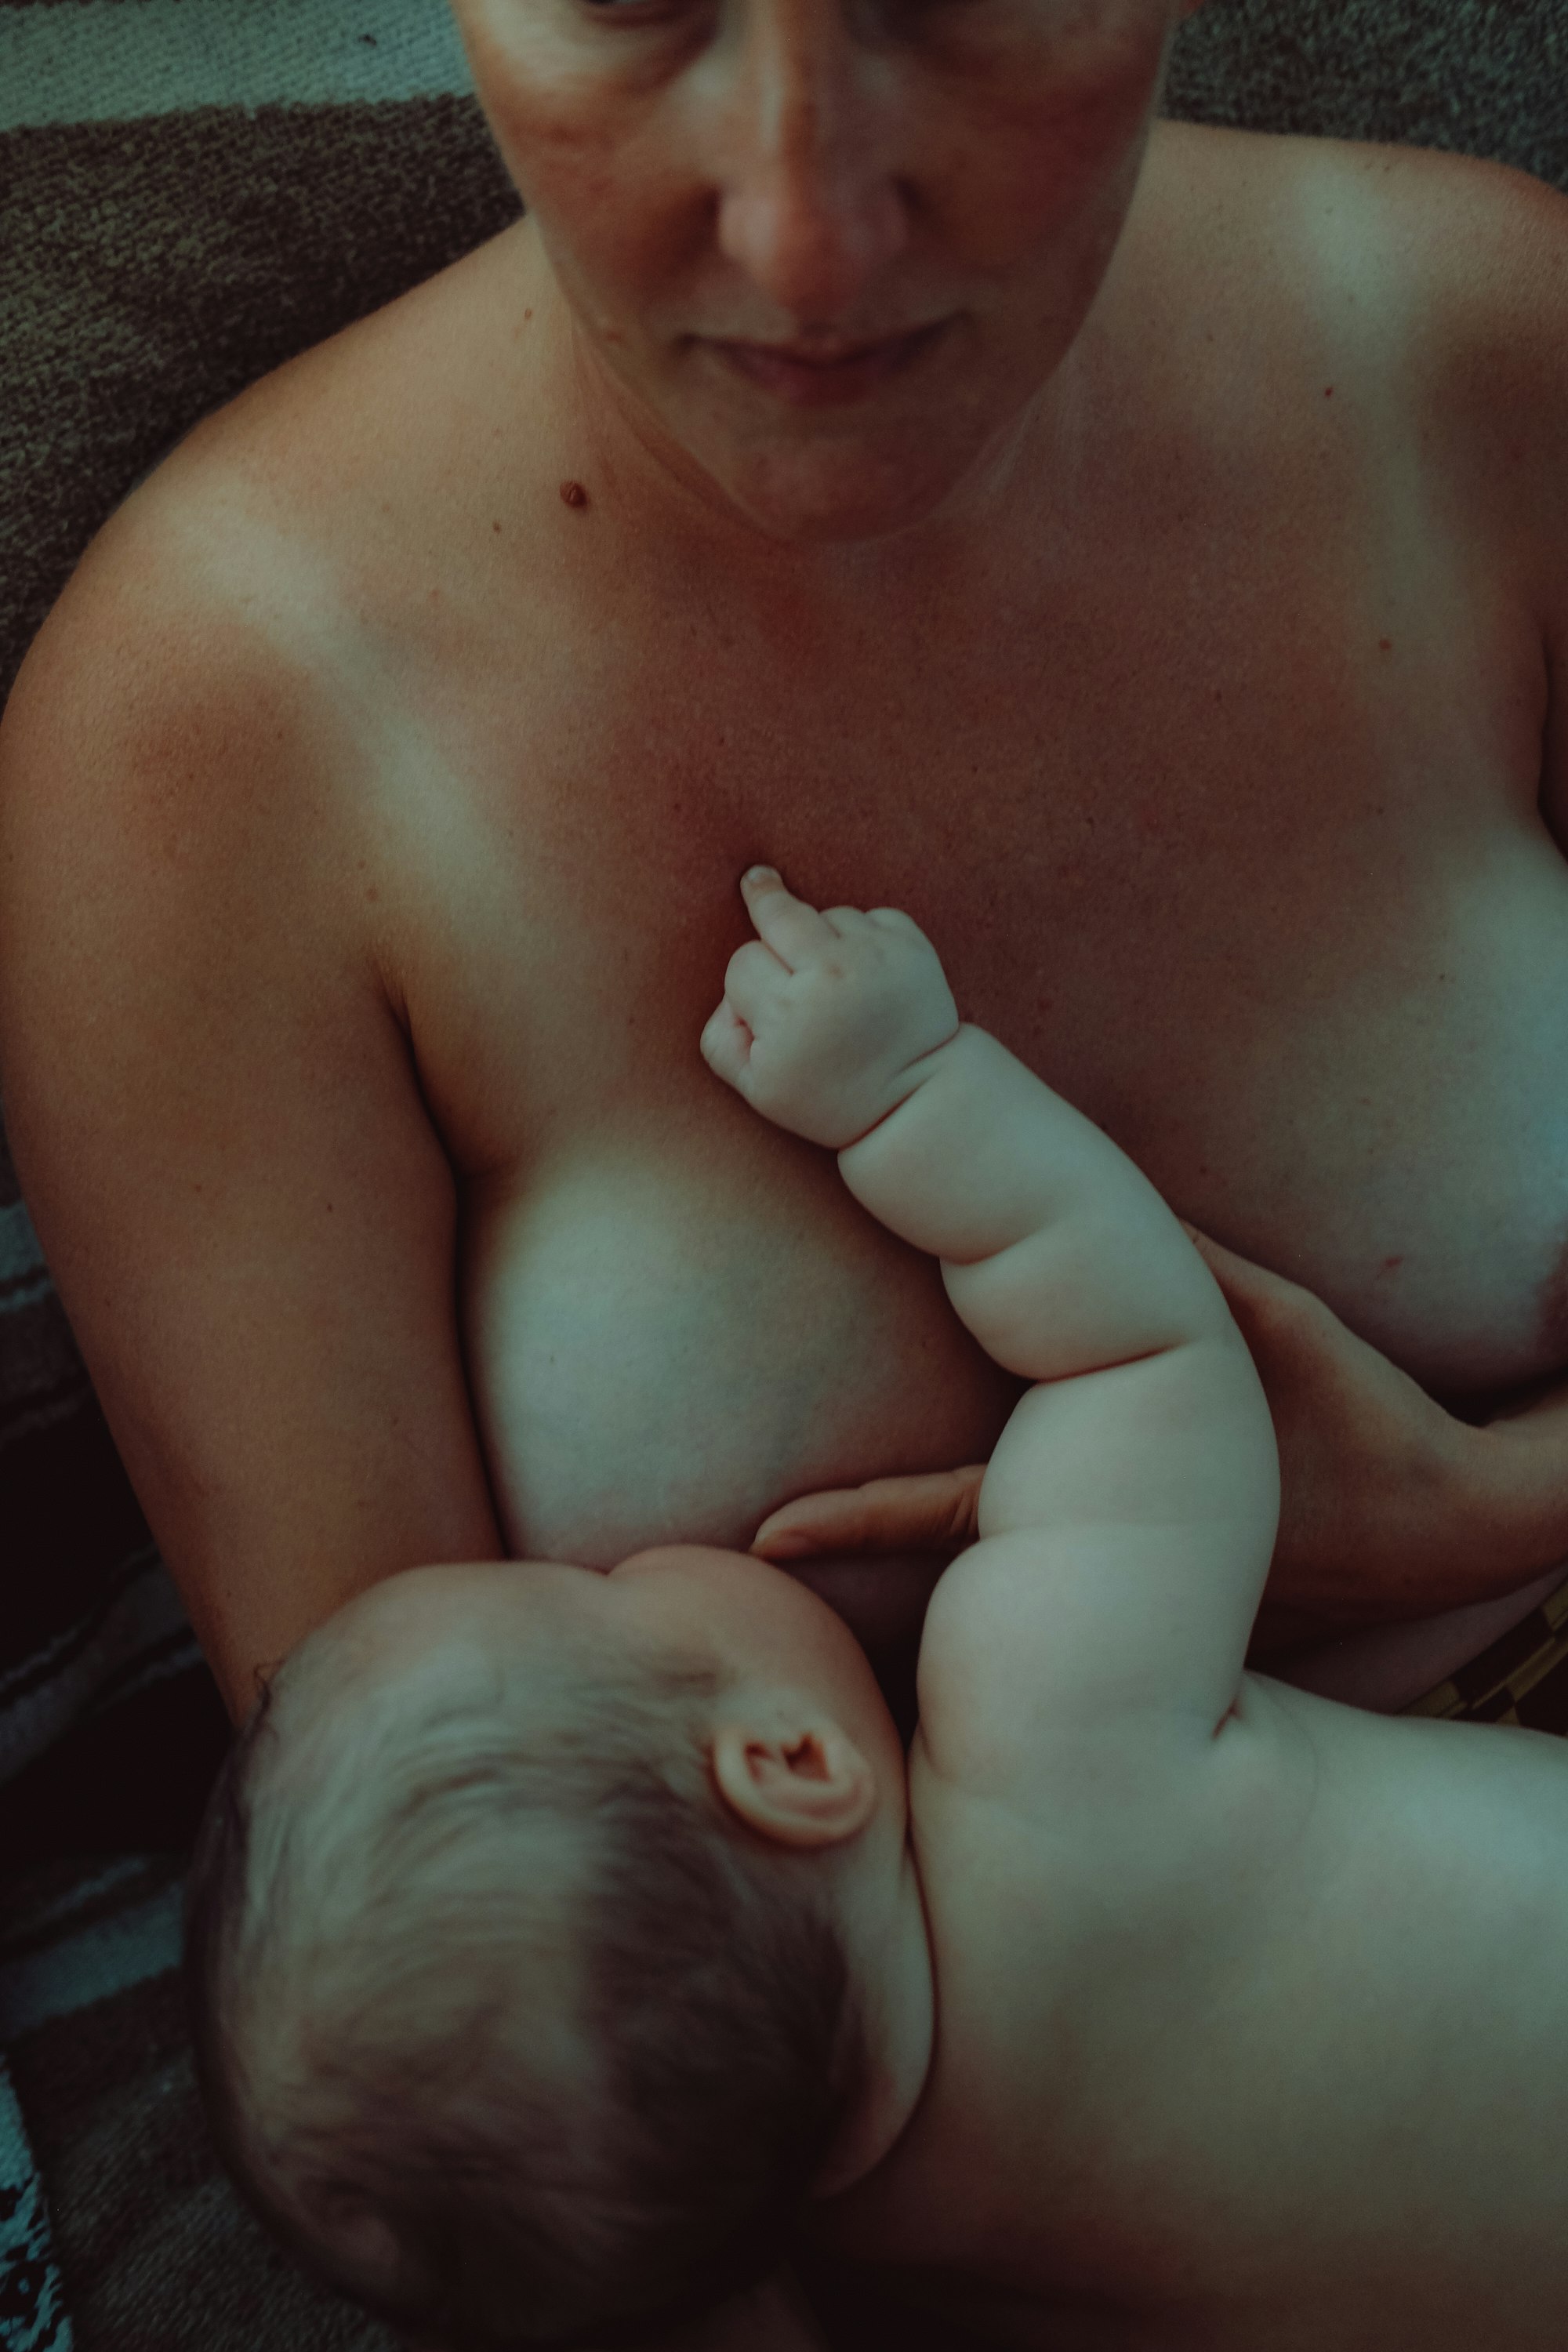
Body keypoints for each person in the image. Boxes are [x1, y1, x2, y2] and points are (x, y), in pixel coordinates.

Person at [186, 866, 1568, 2352]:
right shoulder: (1048, 1754)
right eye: (600, 1594)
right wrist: (902, 1093)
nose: (627, 1561)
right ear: (787, 1767)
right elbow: (1139, 1357)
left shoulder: (893, 2243)